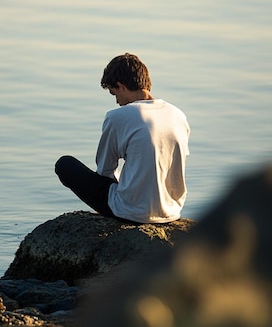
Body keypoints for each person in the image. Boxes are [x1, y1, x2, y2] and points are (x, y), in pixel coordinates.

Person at [55, 53, 190, 223]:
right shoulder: (178, 115)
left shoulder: (118, 116)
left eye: (114, 94)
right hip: (171, 211)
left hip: (132, 212)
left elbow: (105, 171)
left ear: (121, 86)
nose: (117, 102)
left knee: (65, 164)